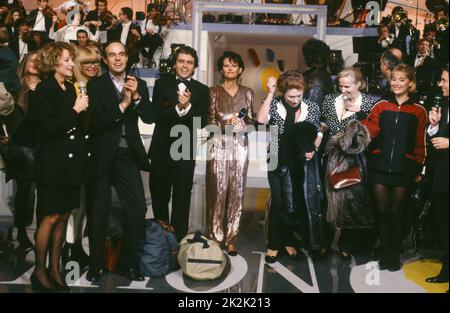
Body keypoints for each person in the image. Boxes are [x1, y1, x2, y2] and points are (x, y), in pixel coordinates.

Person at [85, 41, 153, 283]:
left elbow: (150, 116)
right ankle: (95, 265)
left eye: (121, 54)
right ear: (105, 60)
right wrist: (123, 104)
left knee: (137, 210)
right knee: (98, 213)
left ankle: (127, 263)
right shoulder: (94, 85)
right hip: (101, 154)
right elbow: (97, 123)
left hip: (127, 155)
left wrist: (135, 98)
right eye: (112, 55)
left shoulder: (139, 83)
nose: (117, 59)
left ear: (126, 57)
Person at [31, 42, 91, 291]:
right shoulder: (43, 90)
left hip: (71, 163)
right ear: (53, 61)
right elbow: (48, 128)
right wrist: (76, 110)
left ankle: (55, 268)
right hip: (51, 164)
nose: (71, 64)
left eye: (71, 60)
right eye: (66, 59)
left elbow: (80, 124)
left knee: (64, 216)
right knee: (50, 217)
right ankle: (39, 271)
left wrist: (81, 106)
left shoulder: (70, 88)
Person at [357, 64, 427, 271]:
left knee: (397, 212)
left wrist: (418, 169)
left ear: (410, 83)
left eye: (401, 80)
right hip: (379, 167)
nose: (396, 83)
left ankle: (394, 254)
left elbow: (420, 143)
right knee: (382, 211)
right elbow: (370, 133)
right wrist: (362, 119)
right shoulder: (381, 106)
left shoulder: (419, 110)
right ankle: (386, 253)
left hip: (404, 169)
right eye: (394, 79)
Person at [257, 70, 322, 263]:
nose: (295, 100)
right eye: (290, 96)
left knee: (294, 202)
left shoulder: (311, 106)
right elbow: (261, 120)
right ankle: (273, 245)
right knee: (278, 201)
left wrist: (314, 149)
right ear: (283, 93)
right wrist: (270, 93)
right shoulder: (275, 103)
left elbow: (318, 132)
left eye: (299, 96)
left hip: (300, 157)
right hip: (276, 153)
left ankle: (290, 241)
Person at [149, 45, 209, 241]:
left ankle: (178, 243)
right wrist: (178, 108)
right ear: (174, 64)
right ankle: (160, 240)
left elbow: (201, 120)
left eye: (189, 63)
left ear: (195, 66)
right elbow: (158, 115)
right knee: (159, 197)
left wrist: (188, 106)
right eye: (181, 61)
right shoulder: (161, 85)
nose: (185, 66)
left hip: (185, 152)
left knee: (182, 199)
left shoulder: (202, 90)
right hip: (161, 150)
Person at [206, 51, 255, 255]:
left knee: (236, 193)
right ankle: (215, 237)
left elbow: (253, 124)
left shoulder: (248, 93)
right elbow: (209, 124)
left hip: (241, 147)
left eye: (234, 65)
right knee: (217, 192)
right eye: (226, 65)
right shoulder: (213, 92)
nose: (230, 69)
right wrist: (225, 123)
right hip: (218, 147)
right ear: (221, 69)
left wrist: (245, 125)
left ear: (240, 69)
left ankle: (231, 237)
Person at [62, 45, 101, 268]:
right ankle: (70, 248)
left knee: (85, 204)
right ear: (78, 64)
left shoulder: (96, 86)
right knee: (74, 204)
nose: (93, 66)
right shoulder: (72, 88)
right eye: (87, 62)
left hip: (92, 149)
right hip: (73, 150)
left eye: (96, 61)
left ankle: (75, 246)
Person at [5, 51, 40, 249]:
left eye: (38, 62)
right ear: (24, 63)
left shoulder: (45, 86)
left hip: (40, 143)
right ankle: (21, 232)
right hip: (20, 143)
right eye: (32, 61)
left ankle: (34, 233)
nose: (35, 64)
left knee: (35, 192)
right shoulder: (16, 86)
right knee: (24, 191)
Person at [425, 64, 449, 284]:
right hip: (442, 177)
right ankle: (446, 271)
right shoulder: (445, 104)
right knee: (444, 228)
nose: (440, 84)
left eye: (444, 80)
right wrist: (433, 126)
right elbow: (435, 137)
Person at [301, 39, 334, 110]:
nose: (304, 58)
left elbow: (311, 110)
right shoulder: (322, 74)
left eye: (305, 55)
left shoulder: (315, 79)